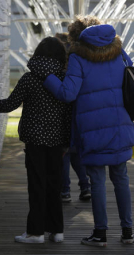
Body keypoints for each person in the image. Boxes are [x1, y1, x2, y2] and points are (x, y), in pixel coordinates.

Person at [43, 16, 134, 247]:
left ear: (77, 36)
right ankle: (127, 232)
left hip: (93, 130)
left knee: (97, 181)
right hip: (121, 125)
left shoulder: (78, 57)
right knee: (121, 178)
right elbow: (132, 77)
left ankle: (100, 233)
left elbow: (68, 93)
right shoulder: (120, 52)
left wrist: (48, 78)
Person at [0, 37, 72, 243]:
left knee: (37, 185)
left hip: (35, 140)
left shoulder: (29, 78)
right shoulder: (64, 79)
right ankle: (57, 231)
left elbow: (10, 104)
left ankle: (35, 232)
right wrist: (68, 141)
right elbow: (69, 112)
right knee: (54, 184)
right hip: (57, 141)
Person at [55, 32, 92, 202]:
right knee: (77, 157)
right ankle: (85, 187)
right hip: (77, 119)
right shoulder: (78, 64)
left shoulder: (58, 71)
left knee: (64, 157)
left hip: (62, 120)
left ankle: (65, 191)